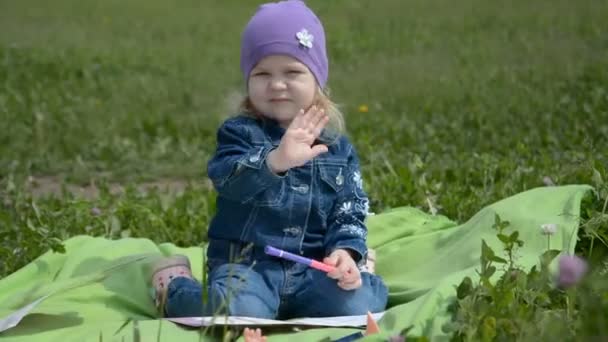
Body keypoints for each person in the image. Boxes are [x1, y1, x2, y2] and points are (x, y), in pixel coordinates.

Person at [150, 0, 388, 320]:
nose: (277, 84)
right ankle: (174, 286)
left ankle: (355, 265)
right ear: (248, 80)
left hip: (313, 271)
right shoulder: (239, 133)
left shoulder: (337, 148)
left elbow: (350, 208)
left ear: (317, 80)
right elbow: (227, 180)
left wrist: (344, 250)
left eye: (292, 72)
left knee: (360, 307)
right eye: (262, 73)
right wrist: (274, 161)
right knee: (234, 310)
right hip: (248, 269)